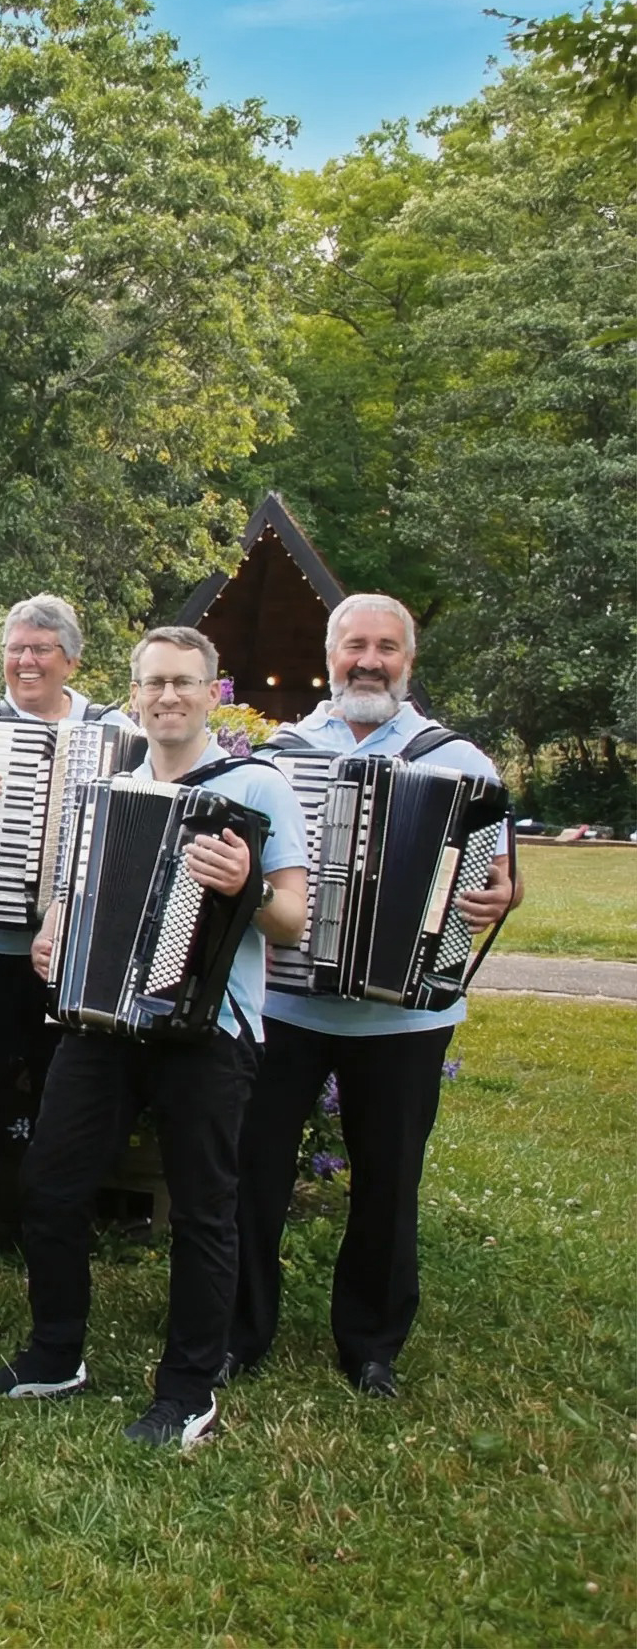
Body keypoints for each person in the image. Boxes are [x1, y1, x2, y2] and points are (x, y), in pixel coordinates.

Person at [0, 626, 308, 1451]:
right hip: (103, 1020)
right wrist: (53, 930)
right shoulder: (115, 786)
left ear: (209, 692)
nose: (166, 697)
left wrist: (245, 886)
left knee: (203, 1210)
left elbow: (292, 917)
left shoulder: (258, 786)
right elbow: (80, 894)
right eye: (152, 683)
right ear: (136, 693)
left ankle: (188, 1392)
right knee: (51, 1182)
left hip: (209, 1029)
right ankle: (54, 1354)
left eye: (183, 682)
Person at [230, 594, 520, 1399]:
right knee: (252, 1172)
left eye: (387, 647)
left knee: (388, 1181)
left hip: (408, 1015)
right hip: (285, 1003)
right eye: (355, 644)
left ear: (408, 662)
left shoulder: (459, 762)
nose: (369, 660)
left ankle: (370, 1344)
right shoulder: (280, 756)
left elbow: (500, 880)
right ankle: (240, 1331)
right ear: (330, 656)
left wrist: (502, 900)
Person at [0, 594, 136, 1256]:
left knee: (66, 1092)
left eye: (40, 649)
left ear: (70, 659)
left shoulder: (114, 730)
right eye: (16, 648)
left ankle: (52, 1225)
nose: (25, 660)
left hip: (69, 949)